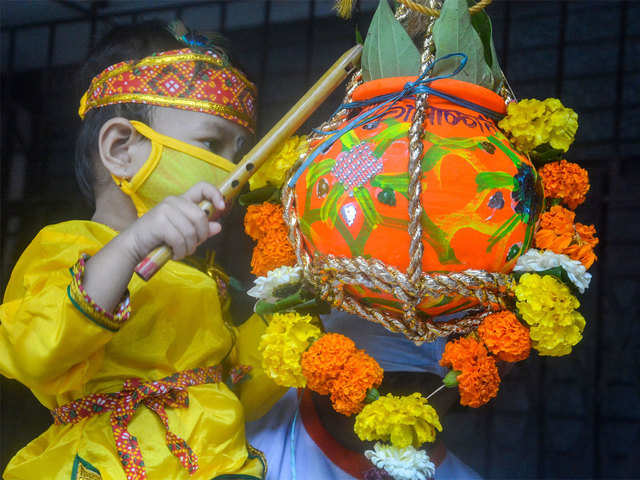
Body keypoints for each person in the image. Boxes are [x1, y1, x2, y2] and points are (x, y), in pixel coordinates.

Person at [0, 22, 284, 480]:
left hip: (217, 464)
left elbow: (237, 391)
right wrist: (133, 243)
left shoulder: (199, 277)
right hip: (109, 464)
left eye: (238, 154)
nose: (233, 171)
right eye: (211, 144)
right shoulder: (67, 245)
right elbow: (35, 352)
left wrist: (293, 307)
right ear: (120, 149)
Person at [246, 310, 483, 479]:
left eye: (413, 393)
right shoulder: (242, 437)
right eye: (352, 382)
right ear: (317, 374)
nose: (388, 414)